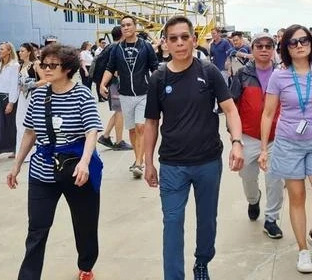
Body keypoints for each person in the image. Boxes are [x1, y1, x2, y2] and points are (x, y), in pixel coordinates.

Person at [143, 15, 245, 280]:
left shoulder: (208, 72)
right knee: (172, 223)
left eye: (184, 37)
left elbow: (230, 109)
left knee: (207, 219)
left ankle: (202, 262)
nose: (179, 43)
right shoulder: (158, 78)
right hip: (172, 165)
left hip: (208, 162)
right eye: (173, 38)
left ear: (194, 40)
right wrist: (148, 162)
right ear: (165, 43)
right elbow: (152, 122)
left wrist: (236, 142)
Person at [7, 44, 103, 280]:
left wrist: (84, 162)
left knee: (85, 225)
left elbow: (92, 130)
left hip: (75, 171)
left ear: (67, 68)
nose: (46, 68)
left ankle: (86, 266)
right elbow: (30, 132)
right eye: (43, 64)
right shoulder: (39, 95)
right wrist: (17, 164)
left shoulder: (81, 94)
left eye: (53, 65)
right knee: (36, 230)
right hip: (42, 172)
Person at [259, 25, 312, 274]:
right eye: (293, 42)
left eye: (303, 40)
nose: (299, 45)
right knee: (297, 198)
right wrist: (264, 149)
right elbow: (268, 113)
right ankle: (303, 249)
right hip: (287, 143)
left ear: (311, 43)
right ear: (286, 47)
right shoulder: (279, 75)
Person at [230, 32, 285, 239]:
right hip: (248, 136)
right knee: (248, 177)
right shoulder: (242, 75)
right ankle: (253, 200)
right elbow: (232, 107)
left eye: (268, 46)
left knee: (275, 180)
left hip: (275, 138)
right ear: (252, 50)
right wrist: (234, 137)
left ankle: (271, 219)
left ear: (274, 50)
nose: (264, 50)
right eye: (259, 46)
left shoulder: (282, 74)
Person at [100, 16, 159, 178]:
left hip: (144, 93)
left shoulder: (146, 47)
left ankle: (139, 163)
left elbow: (155, 67)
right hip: (125, 94)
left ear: (135, 27)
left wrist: (158, 86)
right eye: (123, 25)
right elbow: (110, 68)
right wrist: (102, 84)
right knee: (132, 130)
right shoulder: (116, 49)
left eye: (129, 25)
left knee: (141, 127)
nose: (126, 28)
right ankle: (137, 159)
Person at [96, 26, 130, 151]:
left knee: (118, 111)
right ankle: (119, 142)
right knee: (120, 111)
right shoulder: (117, 47)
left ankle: (105, 136)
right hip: (115, 84)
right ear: (122, 34)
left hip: (111, 84)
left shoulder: (110, 47)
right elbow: (115, 70)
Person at [16, 43, 44, 162]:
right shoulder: (20, 66)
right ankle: (22, 153)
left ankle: (35, 151)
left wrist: (32, 85)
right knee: (20, 122)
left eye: (22, 51)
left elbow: (45, 79)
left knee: (34, 123)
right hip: (22, 98)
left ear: (28, 52)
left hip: (33, 96)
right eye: (19, 51)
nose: (20, 53)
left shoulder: (36, 64)